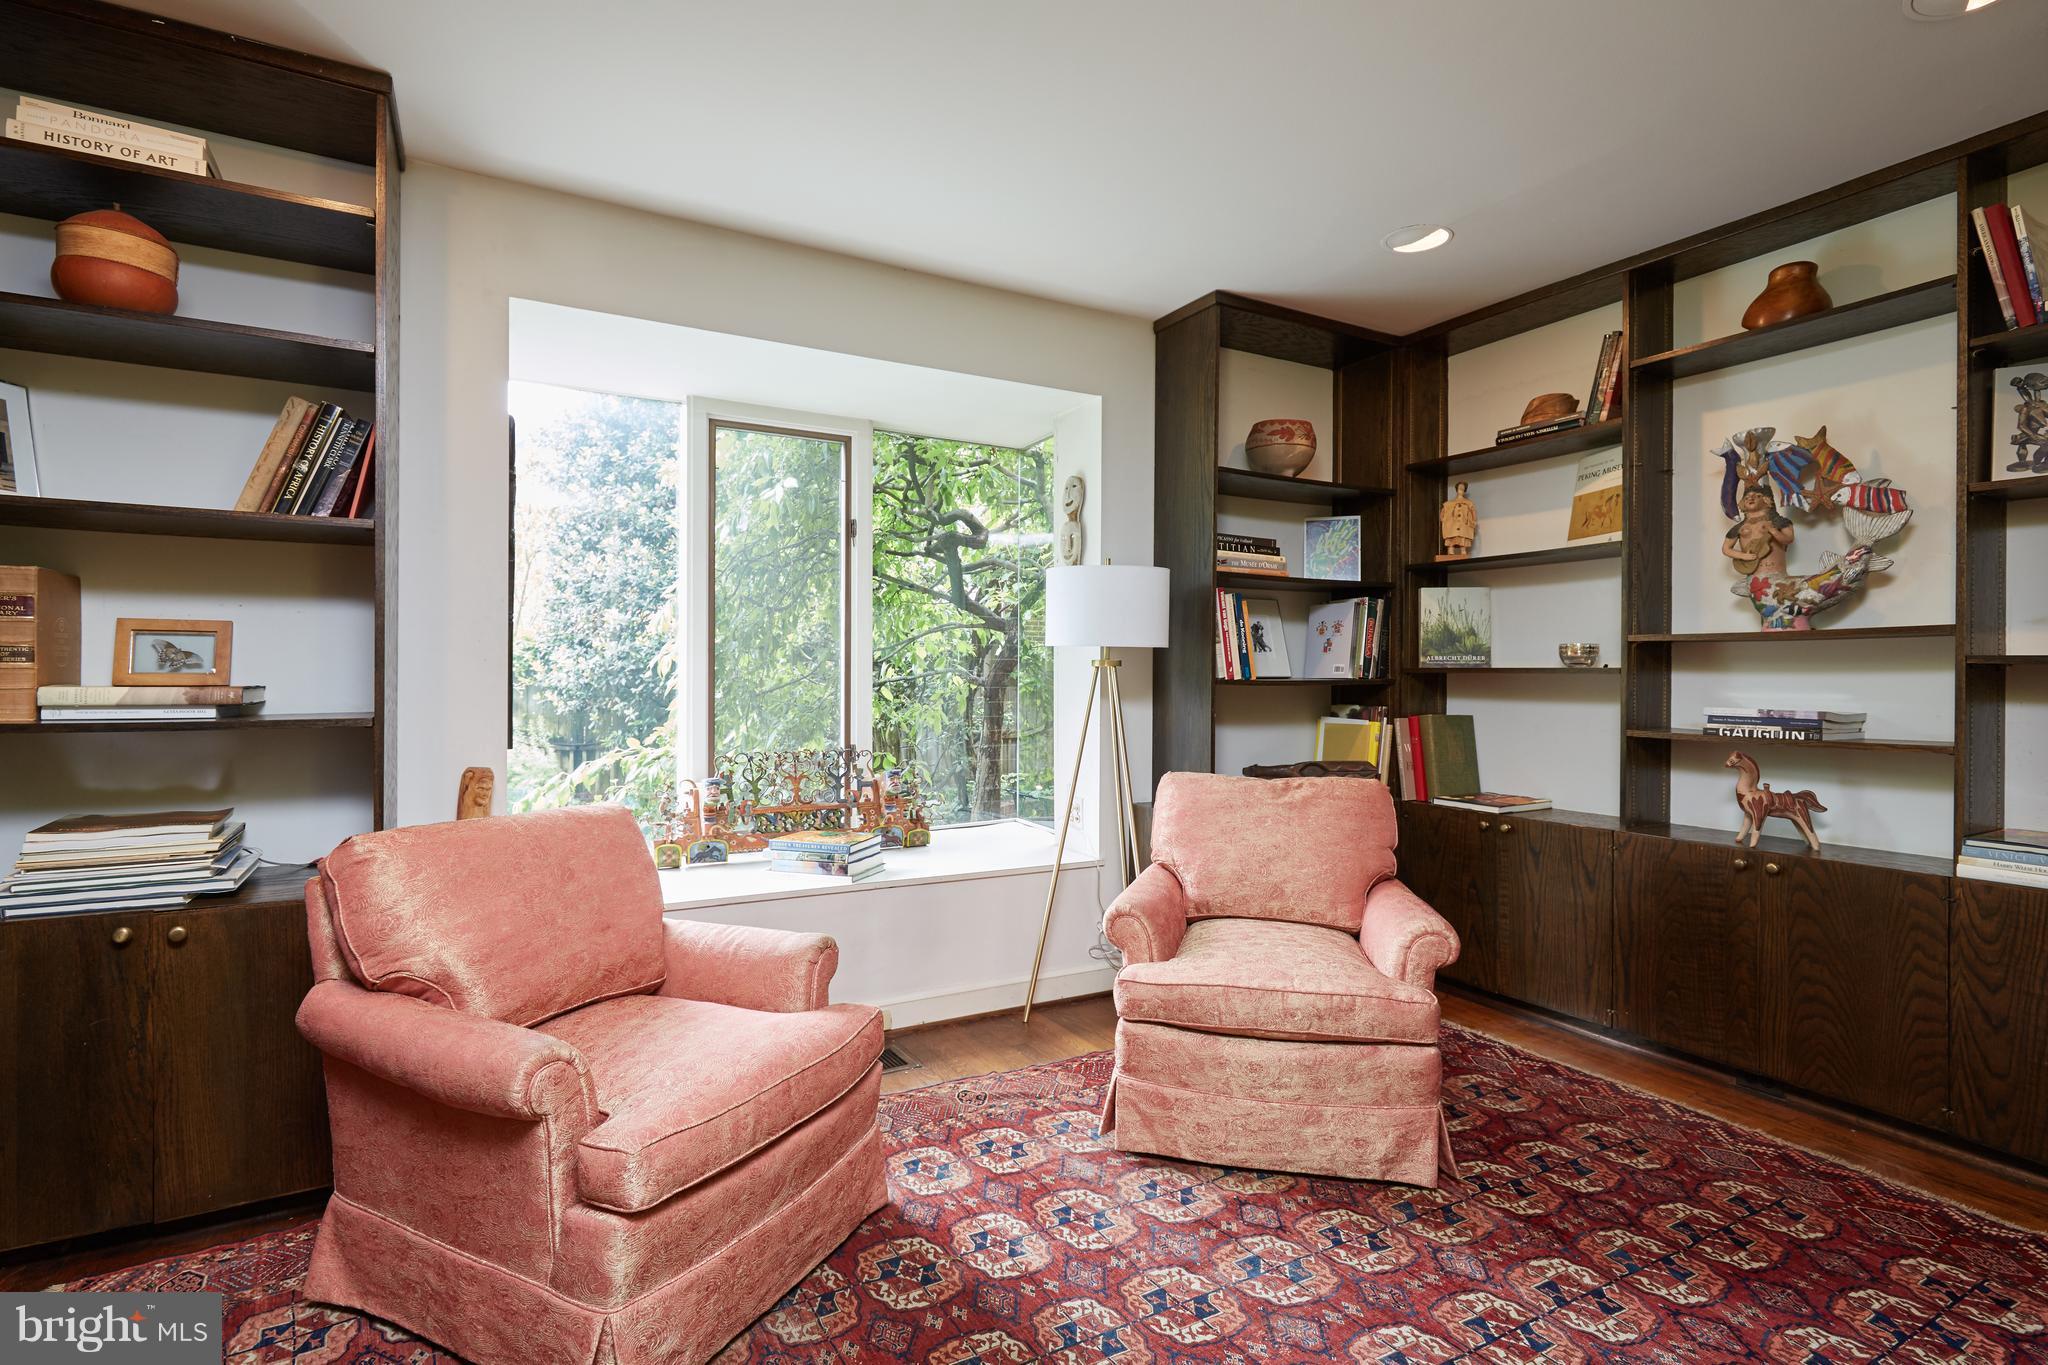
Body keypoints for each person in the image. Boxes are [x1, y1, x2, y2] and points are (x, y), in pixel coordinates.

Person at [1439, 481, 1477, 559]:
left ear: (1464, 490)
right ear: (1456, 489)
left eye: (1463, 488)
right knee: (1451, 538)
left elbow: (1473, 514)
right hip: (1452, 526)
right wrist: (1445, 520)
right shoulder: (1448, 504)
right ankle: (1450, 550)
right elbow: (1442, 514)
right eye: (1460, 488)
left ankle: (1463, 550)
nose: (1461, 490)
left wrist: (1473, 522)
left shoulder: (1469, 503)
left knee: (1463, 537)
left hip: (1464, 525)